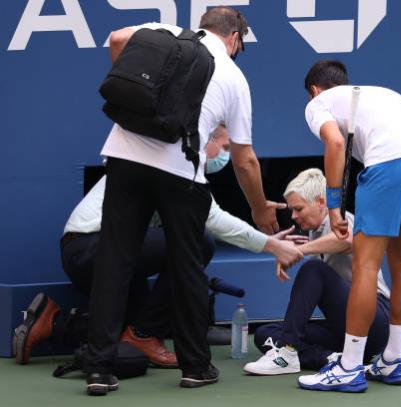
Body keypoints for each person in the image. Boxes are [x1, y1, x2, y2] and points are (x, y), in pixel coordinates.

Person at [85, 7, 286, 395]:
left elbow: (116, 39)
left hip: (124, 159)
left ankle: (98, 369)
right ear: (234, 38)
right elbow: (244, 161)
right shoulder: (233, 75)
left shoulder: (160, 31)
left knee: (114, 262)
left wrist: (141, 105)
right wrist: (260, 208)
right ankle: (195, 367)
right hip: (180, 171)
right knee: (187, 268)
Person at [13, 126, 302, 369]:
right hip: (91, 246)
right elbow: (213, 220)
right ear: (209, 140)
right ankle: (142, 334)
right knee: (199, 241)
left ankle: (52, 322)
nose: (225, 155)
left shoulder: (176, 163)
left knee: (134, 324)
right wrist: (270, 245)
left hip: (98, 252)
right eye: (225, 145)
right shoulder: (179, 165)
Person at [296, 61, 401, 393]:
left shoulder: (318, 103)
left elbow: (334, 143)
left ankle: (349, 367)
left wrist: (334, 206)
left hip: (390, 164)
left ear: (315, 90)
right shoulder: (380, 95)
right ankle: (393, 360)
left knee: (365, 263)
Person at [243, 168, 390, 376]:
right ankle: (330, 358)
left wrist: (297, 251)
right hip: (345, 330)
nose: (293, 216)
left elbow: (347, 240)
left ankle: (287, 354)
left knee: (314, 269)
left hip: (375, 322)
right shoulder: (316, 231)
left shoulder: (339, 220)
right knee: (265, 333)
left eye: (298, 209)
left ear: (321, 202)